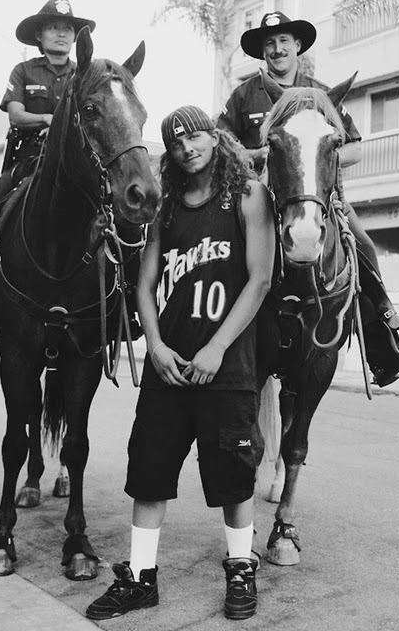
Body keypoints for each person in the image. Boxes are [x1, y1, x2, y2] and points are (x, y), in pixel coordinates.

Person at [85, 105, 276, 621]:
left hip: (227, 369)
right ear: (167, 153)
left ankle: (240, 568)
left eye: (194, 137)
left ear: (214, 139)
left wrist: (216, 347)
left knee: (234, 477)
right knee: (148, 473)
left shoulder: (248, 195)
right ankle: (141, 578)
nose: (186, 147)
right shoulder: (165, 206)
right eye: (175, 142)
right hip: (167, 370)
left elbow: (259, 279)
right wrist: (156, 345)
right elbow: (144, 285)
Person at [217, 11, 399, 387]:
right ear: (262, 51)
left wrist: (321, 155)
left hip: (318, 194)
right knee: (218, 252)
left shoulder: (322, 93)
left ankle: (383, 339)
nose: (276, 49)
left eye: (283, 41)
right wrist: (262, 155)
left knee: (364, 245)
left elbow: (352, 149)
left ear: (297, 46)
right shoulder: (244, 95)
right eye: (269, 43)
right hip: (257, 197)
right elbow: (221, 146)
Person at [0, 0, 96, 333]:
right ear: (40, 37)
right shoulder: (23, 71)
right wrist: (49, 117)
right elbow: (15, 114)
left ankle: (122, 306)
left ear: (75, 38)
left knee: (123, 224)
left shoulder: (85, 73)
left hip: (74, 169)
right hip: (28, 163)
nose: (61, 34)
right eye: (53, 28)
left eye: (67, 29)